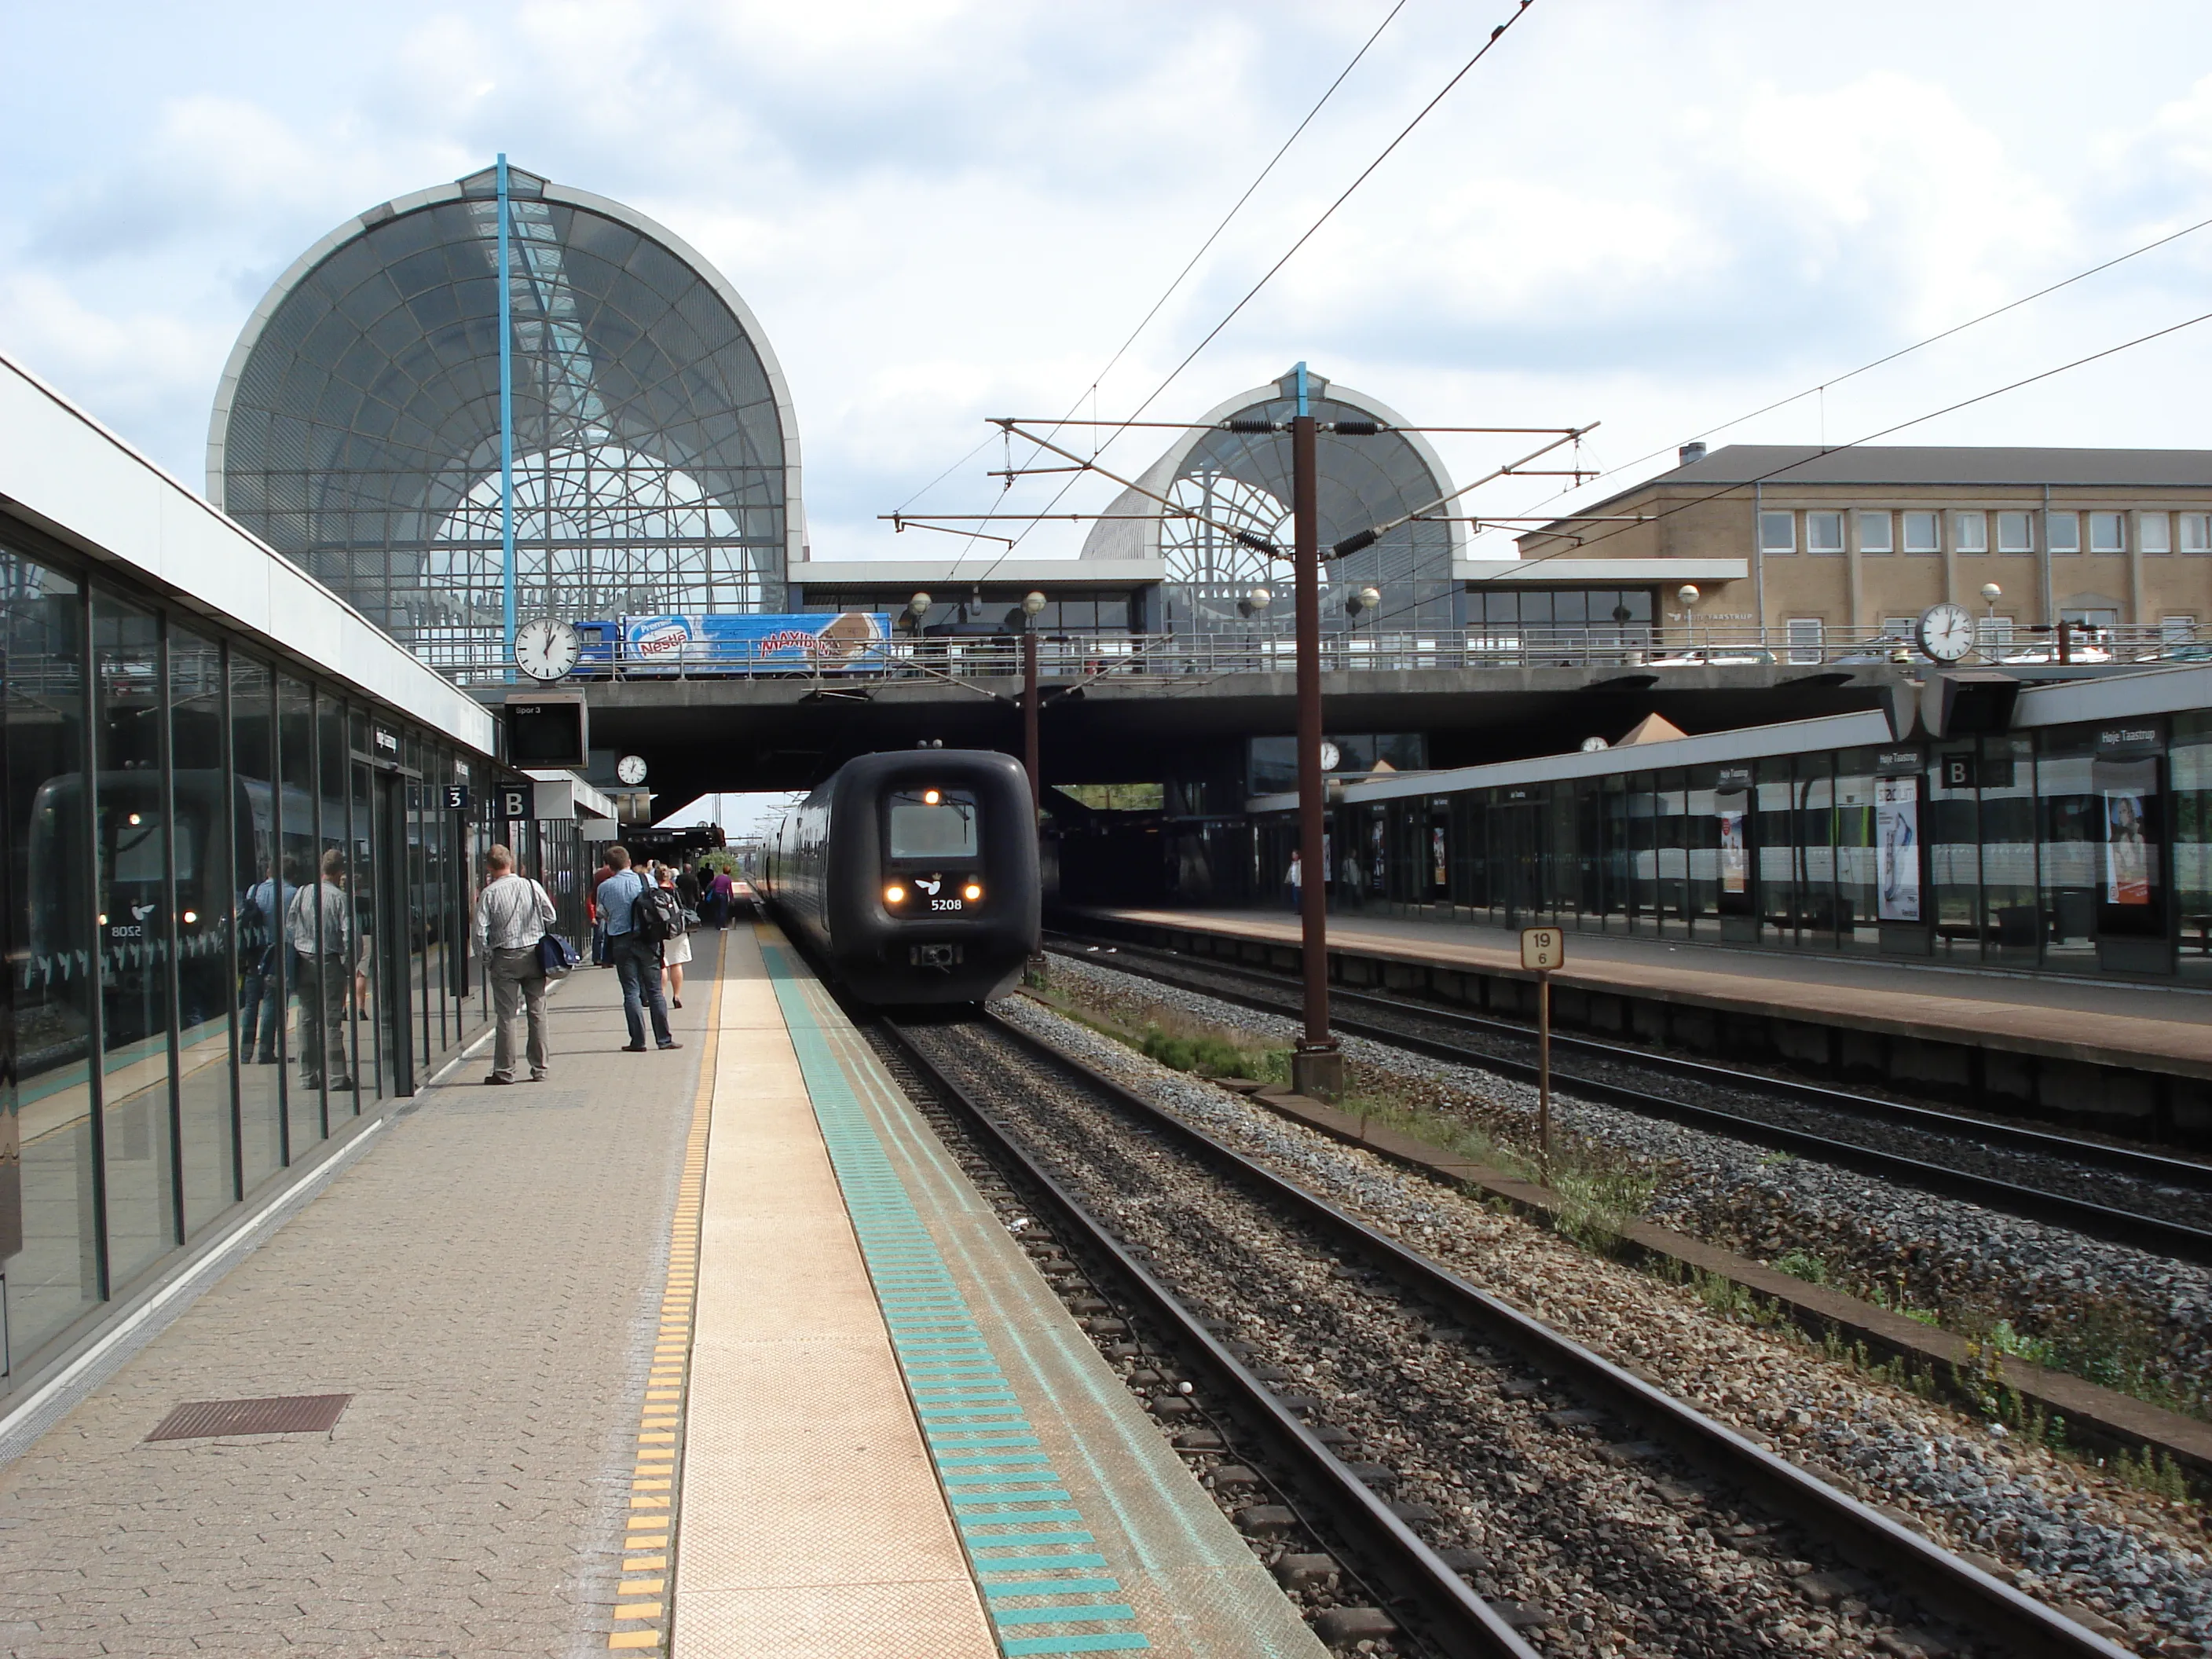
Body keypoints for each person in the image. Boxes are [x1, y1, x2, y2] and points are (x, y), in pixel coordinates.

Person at [473, 843, 558, 1084]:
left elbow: (479, 933)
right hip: (534, 955)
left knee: (507, 1016)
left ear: (489, 867)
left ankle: (505, 1071)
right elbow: (551, 915)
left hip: (505, 958)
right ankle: (540, 1069)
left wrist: (487, 959)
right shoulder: (531, 885)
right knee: (538, 1012)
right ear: (511, 863)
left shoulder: (489, 893)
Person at [286, 848, 355, 1091]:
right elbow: (349, 935)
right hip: (329, 961)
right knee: (331, 1020)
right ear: (340, 872)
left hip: (303, 959)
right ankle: (337, 1077)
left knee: (305, 1018)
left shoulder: (304, 892)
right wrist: (348, 964)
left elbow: (290, 924)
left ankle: (307, 1076)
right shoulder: (340, 898)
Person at [598, 844, 678, 1053]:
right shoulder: (647, 880)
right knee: (655, 991)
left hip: (621, 942)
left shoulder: (604, 887)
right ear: (629, 861)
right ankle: (664, 1039)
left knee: (631, 992)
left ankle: (638, 1041)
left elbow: (602, 914)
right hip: (647, 940)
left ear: (609, 867)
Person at [239, 853, 294, 1064]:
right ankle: (265, 1051)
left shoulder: (254, 891)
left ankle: (245, 1053)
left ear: (269, 871)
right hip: (277, 954)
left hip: (254, 954)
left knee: (251, 1003)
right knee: (273, 1001)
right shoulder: (293, 894)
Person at [659, 866, 693, 1009]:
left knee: (662, 964)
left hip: (660, 932)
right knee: (676, 963)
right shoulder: (676, 892)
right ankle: (677, 996)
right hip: (677, 931)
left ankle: (660, 997)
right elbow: (686, 908)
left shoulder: (652, 893)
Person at [588, 851, 616, 966]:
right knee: (609, 935)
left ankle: (599, 958)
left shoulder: (598, 874)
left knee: (599, 935)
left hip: (601, 907)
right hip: (613, 907)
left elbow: (593, 896)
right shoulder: (612, 873)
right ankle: (608, 959)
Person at [707, 866, 736, 930]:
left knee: (717, 910)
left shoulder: (718, 877)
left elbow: (712, 884)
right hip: (723, 896)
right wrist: (732, 899)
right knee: (723, 911)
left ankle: (717, 925)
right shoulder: (728, 879)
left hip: (715, 895)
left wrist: (706, 890)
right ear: (729, 872)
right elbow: (730, 890)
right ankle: (722, 925)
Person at [1284, 849, 1302, 913]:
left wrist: (1300, 883)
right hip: (1293, 882)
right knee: (1295, 897)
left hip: (1298, 883)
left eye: (1294, 854)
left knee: (1298, 897)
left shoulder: (1300, 863)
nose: (1293, 856)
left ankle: (1300, 910)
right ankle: (1298, 909)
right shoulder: (1293, 863)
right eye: (1292, 854)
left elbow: (1300, 874)